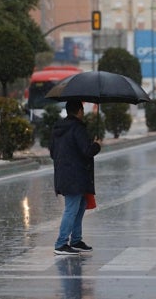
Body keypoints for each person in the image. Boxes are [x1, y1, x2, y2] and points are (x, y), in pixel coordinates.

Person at [49, 100, 102, 255]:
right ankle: (61, 243)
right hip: (75, 175)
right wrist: (97, 145)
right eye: (82, 110)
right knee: (72, 209)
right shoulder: (78, 128)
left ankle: (76, 240)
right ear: (79, 111)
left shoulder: (58, 128)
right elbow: (87, 151)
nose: (83, 113)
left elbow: (53, 152)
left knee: (80, 205)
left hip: (64, 174)